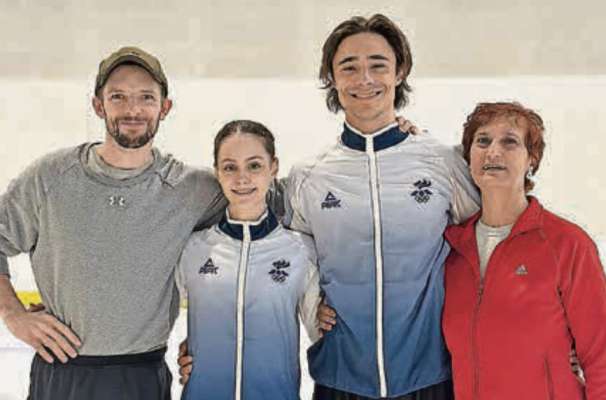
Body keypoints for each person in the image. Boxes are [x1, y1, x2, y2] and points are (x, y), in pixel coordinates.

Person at [0, 46, 226, 400]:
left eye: (146, 97)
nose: (132, 109)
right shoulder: (50, 178)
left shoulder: (193, 190)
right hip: (61, 375)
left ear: (164, 108)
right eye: (118, 96)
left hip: (141, 377)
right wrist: (13, 314)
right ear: (98, 106)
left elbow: (259, 217)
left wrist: (211, 341)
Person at [285, 14, 479, 399]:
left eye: (378, 65)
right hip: (340, 378)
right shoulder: (309, 176)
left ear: (400, 71)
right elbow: (292, 251)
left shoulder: (442, 162)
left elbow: (486, 246)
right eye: (349, 67)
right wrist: (310, 307)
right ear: (331, 77)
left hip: (431, 377)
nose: (365, 79)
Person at [441, 101, 606, 399]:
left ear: (532, 158)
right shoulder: (450, 250)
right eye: (483, 141)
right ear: (468, 158)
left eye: (510, 141)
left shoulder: (567, 245)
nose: (493, 151)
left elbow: (601, 356)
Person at [178, 120, 321, 400]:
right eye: (230, 167)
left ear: (274, 167)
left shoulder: (300, 251)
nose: (242, 178)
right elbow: (153, 317)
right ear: (217, 172)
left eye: (254, 165)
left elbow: (323, 334)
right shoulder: (193, 249)